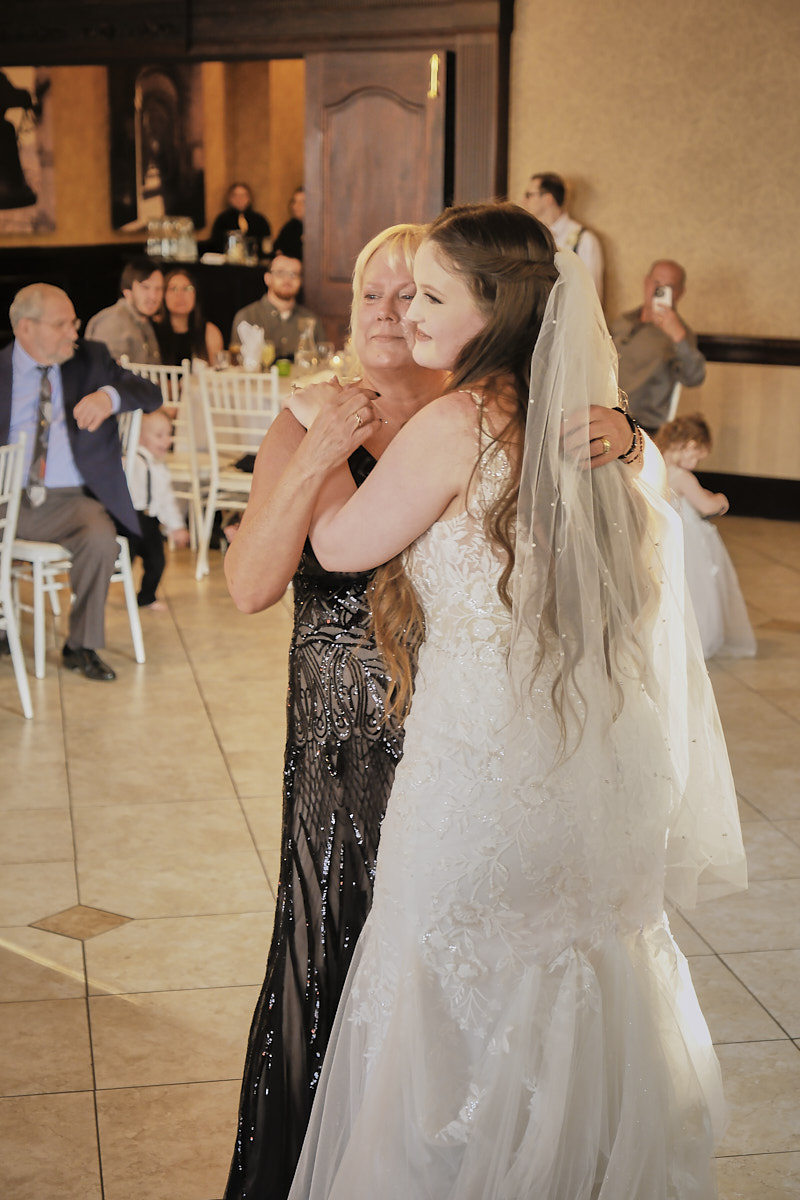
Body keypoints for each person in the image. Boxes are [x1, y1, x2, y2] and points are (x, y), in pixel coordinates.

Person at [284, 203, 746, 1199]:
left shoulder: (458, 422)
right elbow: (652, 541)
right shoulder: (591, 423)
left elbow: (338, 547)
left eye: (431, 296)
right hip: (591, 782)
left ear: (493, 310)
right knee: (580, 989)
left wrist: (319, 438)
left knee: (447, 1015)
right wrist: (639, 445)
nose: (407, 313)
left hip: (476, 789)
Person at [221, 220, 639, 1200]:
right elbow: (248, 585)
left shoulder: (494, 408)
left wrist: (628, 435)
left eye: (413, 293)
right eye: (372, 292)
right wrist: (319, 450)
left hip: (461, 742)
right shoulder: (312, 412)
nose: (390, 311)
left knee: (465, 977)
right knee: (338, 953)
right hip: (343, 742)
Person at [0, 283, 162, 679]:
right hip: (6, 497)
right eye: (61, 325)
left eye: (74, 322)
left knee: (100, 538)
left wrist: (109, 397)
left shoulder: (91, 359)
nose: (74, 332)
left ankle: (81, 645)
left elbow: (150, 393)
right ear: (25, 328)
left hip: (69, 499)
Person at [656, 413, 756, 660]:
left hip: (660, 536)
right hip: (687, 544)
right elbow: (705, 505)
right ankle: (696, 638)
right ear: (690, 445)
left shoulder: (654, 464)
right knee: (695, 591)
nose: (697, 463)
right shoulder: (682, 477)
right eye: (698, 456)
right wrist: (721, 500)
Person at [611, 259, 706, 435]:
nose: (659, 290)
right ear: (646, 282)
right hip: (607, 414)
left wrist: (678, 337)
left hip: (643, 427)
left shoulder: (679, 334)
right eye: (656, 283)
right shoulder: (623, 321)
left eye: (669, 287)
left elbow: (694, 378)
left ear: (680, 293)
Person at [128, 408, 191, 610]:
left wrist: (176, 526)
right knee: (122, 560)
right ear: (139, 437)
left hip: (149, 520)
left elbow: (165, 499)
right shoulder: (133, 462)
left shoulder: (159, 465)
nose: (167, 440)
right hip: (130, 519)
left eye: (169, 434)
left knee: (157, 561)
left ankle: (147, 596)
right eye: (159, 435)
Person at [522, 171, 604, 300]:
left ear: (548, 198)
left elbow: (593, 296)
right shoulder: (530, 239)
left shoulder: (585, 240)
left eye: (529, 195)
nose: (523, 201)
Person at [229, 250, 324, 360]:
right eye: (280, 273)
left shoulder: (311, 319)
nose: (287, 279)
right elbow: (237, 362)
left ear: (301, 281)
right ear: (267, 278)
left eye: (294, 274)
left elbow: (323, 360)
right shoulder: (246, 317)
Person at [86, 258, 163, 365]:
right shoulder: (114, 321)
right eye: (145, 287)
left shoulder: (144, 320)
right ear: (127, 291)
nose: (153, 296)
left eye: (159, 288)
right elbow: (106, 372)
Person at [154, 267, 224, 365]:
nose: (180, 295)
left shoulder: (210, 332)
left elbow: (218, 372)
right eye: (173, 289)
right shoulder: (152, 329)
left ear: (196, 294)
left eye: (187, 288)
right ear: (163, 295)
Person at [209, 182, 272, 255]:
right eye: (235, 196)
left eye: (243, 196)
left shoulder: (260, 220)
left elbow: (266, 245)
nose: (239, 199)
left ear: (249, 198)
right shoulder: (222, 220)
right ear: (230, 199)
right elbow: (216, 244)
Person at [274, 185, 305, 260]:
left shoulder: (319, 229)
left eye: (302, 202)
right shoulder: (290, 227)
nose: (296, 206)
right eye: (295, 202)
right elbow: (277, 248)